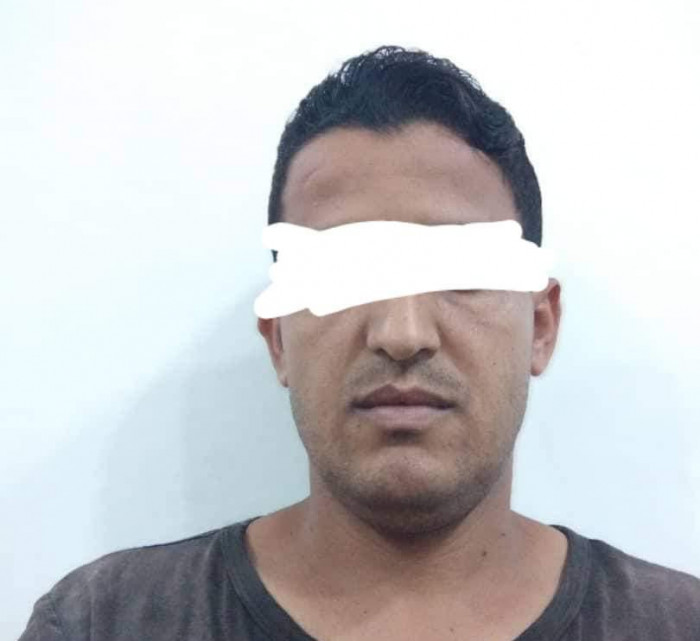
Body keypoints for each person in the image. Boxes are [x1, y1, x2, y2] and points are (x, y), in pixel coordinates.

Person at [18, 44, 700, 641]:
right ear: (279, 340)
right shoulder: (106, 621)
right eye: (343, 275)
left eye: (458, 272)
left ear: (540, 328)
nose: (402, 333)